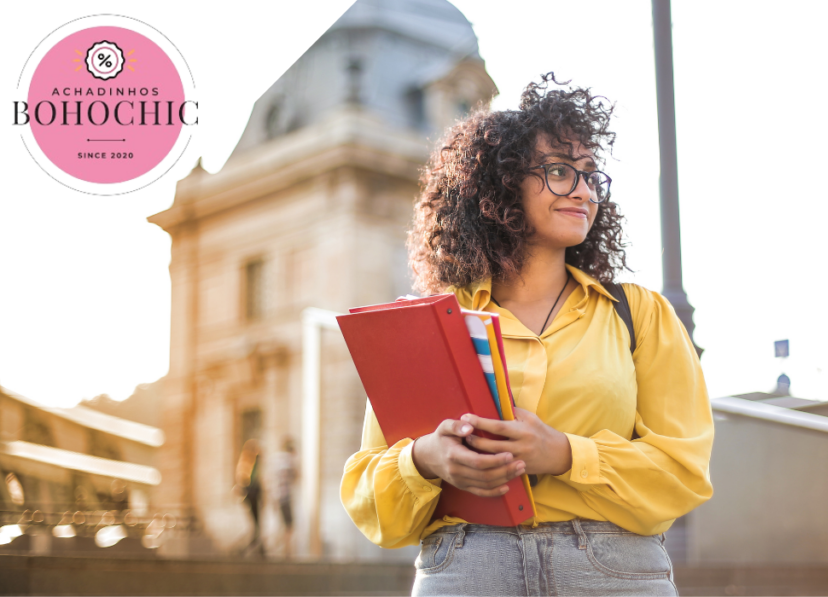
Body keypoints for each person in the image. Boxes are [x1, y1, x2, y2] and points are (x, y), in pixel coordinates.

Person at [341, 74, 714, 596]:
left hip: (614, 572)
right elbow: (371, 498)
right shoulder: (426, 324)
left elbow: (684, 471)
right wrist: (425, 459)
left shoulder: (639, 315)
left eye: (590, 175)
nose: (583, 190)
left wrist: (564, 453)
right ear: (502, 185)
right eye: (559, 171)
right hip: (468, 568)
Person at [268, 437, 299, 559]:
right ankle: (286, 551)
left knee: (280, 523)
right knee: (289, 525)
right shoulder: (288, 460)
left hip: (275, 496)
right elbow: (295, 476)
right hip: (285, 496)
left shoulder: (275, 460)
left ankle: (279, 549)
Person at [235, 439, 264, 558]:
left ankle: (259, 548)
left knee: (257, 523)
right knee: (255, 523)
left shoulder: (253, 463)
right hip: (251, 495)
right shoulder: (246, 463)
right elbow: (243, 481)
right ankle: (255, 547)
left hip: (254, 495)